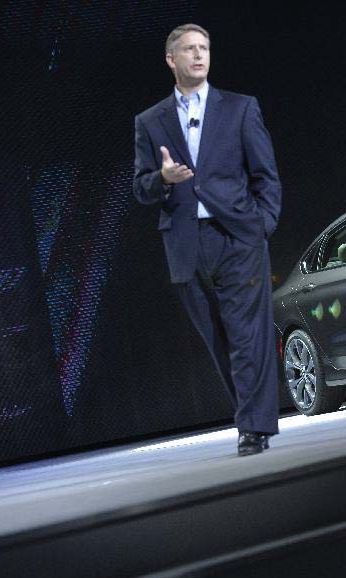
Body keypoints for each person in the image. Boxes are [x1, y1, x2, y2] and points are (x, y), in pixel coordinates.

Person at [133, 24, 281, 456]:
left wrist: (262, 225)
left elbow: (265, 175)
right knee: (218, 339)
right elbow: (141, 188)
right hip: (185, 243)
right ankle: (250, 416)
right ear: (171, 60)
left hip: (237, 237)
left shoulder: (239, 108)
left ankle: (253, 427)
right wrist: (161, 178)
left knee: (247, 335)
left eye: (204, 48)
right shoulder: (150, 122)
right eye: (189, 50)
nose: (198, 55)